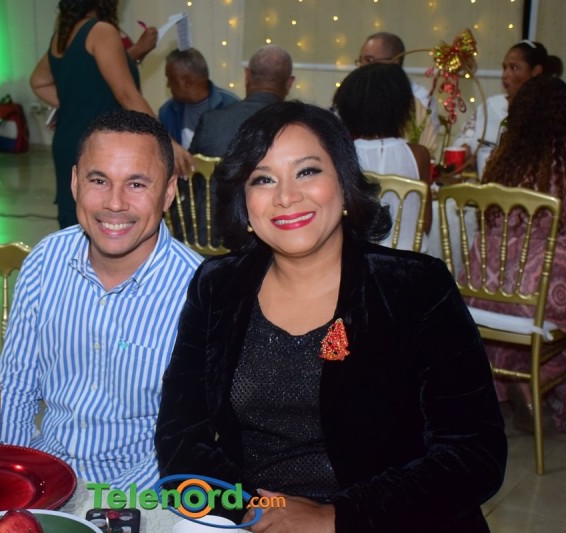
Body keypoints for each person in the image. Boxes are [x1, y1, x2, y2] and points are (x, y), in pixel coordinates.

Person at [155, 101, 506, 532]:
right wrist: (254, 512)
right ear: (244, 203)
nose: (286, 196)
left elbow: (475, 453)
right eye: (263, 179)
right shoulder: (218, 287)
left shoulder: (414, 288)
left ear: (343, 181)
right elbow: (179, 437)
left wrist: (336, 518)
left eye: (307, 171)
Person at [0, 109, 202, 490]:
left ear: (168, 192)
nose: (114, 203)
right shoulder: (46, 261)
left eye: (137, 184)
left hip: (142, 493)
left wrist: (107, 508)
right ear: (75, 182)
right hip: (47, 473)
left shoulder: (199, 293)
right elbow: (15, 389)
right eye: (99, 180)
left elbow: (186, 437)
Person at [471, 75, 566, 432]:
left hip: (481, 286)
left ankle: (511, 382)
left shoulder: (503, 155)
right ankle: (541, 384)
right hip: (543, 287)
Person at [30, 0, 192, 229]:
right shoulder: (101, 31)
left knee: (78, 219)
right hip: (100, 146)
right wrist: (166, 141)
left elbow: (39, 82)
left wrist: (73, 104)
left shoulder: (63, 35)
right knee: (108, 217)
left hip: (69, 140)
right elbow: (127, 94)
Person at [333, 62, 432, 248]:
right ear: (402, 107)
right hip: (410, 259)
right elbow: (425, 224)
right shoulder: (419, 155)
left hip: (359, 258)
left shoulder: (342, 154)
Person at [452, 40, 563, 169]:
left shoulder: (547, 112)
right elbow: (464, 138)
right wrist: (465, 148)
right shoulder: (491, 106)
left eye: (514, 68)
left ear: (536, 71)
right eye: (504, 68)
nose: (505, 75)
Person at [189, 45, 294, 158]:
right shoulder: (297, 128)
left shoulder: (210, 121)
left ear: (247, 75)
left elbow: (190, 166)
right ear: (289, 83)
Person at [356, 31, 439, 150]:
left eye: (369, 60)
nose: (362, 66)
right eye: (360, 60)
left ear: (395, 62)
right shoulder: (355, 93)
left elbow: (425, 146)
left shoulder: (420, 98)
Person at [159, 48, 240, 150]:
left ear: (188, 82)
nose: (168, 85)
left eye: (170, 79)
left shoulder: (233, 107)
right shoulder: (168, 111)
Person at [95, 0, 157, 65]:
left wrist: (145, 48)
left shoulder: (111, 24)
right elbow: (108, 65)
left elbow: (132, 61)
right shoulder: (96, 26)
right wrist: (139, 48)